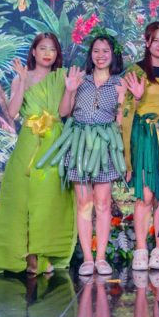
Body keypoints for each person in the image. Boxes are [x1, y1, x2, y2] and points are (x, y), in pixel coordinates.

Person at [0, 33, 76, 274]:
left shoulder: (61, 77)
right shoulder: (22, 77)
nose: (47, 53)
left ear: (57, 54)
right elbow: (12, 112)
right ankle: (26, 255)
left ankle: (45, 255)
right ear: (34, 52)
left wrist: (70, 90)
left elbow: (64, 112)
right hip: (29, 141)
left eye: (52, 49)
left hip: (54, 141)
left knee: (50, 200)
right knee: (22, 198)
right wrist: (21, 81)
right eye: (43, 48)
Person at [58, 32, 127, 276]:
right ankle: (87, 258)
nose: (100, 55)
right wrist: (70, 90)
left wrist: (125, 100)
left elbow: (120, 122)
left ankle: (101, 258)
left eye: (105, 51)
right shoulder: (81, 80)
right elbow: (64, 113)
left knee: (103, 203)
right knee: (84, 203)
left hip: (105, 145)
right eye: (96, 51)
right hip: (79, 144)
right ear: (90, 54)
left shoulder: (119, 84)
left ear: (113, 55)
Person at [121, 21, 159, 272]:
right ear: (146, 43)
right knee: (146, 195)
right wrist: (136, 97)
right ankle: (140, 249)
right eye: (155, 39)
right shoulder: (136, 71)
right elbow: (124, 111)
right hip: (146, 135)